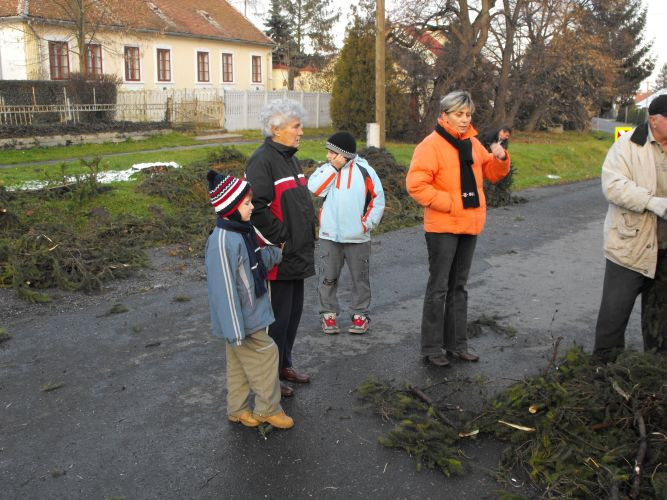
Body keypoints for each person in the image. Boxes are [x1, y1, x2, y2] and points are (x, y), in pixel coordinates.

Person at [406, 90, 510, 367]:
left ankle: (457, 345)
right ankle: (431, 348)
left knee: (459, 287)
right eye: (459, 114)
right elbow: (416, 185)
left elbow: (492, 174)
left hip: (469, 224)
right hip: (442, 225)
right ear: (444, 115)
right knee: (439, 287)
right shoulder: (430, 145)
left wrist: (500, 158)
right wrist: (450, 203)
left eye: (468, 115)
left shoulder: (473, 145)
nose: (465, 120)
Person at [204, 170, 293, 429]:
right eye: (246, 203)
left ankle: (238, 409)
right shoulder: (222, 241)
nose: (252, 207)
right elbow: (223, 290)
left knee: (239, 362)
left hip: (249, 314)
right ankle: (267, 409)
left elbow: (255, 263)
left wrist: (275, 254)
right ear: (230, 207)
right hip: (241, 320)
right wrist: (234, 330)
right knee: (267, 353)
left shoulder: (243, 231)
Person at [244, 99, 317, 398]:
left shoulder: (289, 157)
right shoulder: (262, 160)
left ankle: (284, 364)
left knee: (293, 315)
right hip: (279, 257)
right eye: (296, 126)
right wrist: (282, 239)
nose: (301, 132)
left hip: (297, 253)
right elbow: (256, 208)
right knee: (276, 320)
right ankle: (268, 377)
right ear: (276, 129)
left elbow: (295, 201)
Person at [593, 94, 667, 361]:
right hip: (630, 244)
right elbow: (613, 186)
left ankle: (655, 370)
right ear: (654, 121)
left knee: (660, 317)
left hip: (664, 248)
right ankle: (603, 370)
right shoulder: (627, 146)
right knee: (615, 312)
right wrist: (651, 202)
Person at [307, 131, 385, 334]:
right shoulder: (326, 170)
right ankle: (328, 314)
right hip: (329, 237)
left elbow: (378, 200)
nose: (328, 156)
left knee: (360, 279)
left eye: (332, 153)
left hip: (357, 238)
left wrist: (366, 225)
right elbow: (315, 189)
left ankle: (360, 314)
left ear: (344, 154)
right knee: (328, 277)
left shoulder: (365, 171)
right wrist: (334, 168)